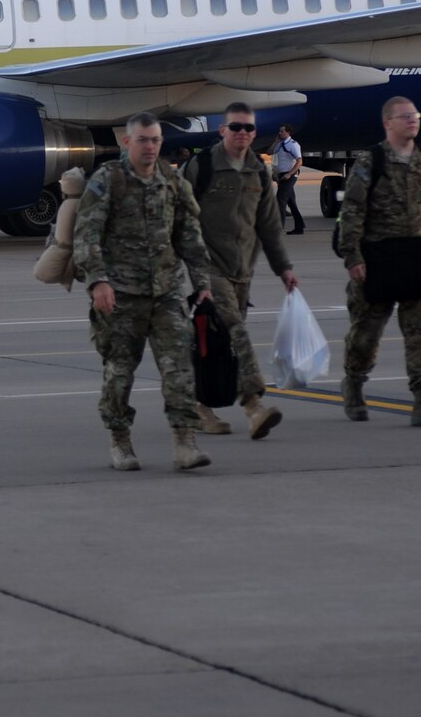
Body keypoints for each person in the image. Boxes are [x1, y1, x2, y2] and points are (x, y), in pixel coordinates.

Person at [73, 113, 217, 471]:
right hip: (120, 295)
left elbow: (189, 235)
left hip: (166, 292)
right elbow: (87, 234)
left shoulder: (171, 180)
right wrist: (98, 282)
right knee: (120, 371)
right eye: (143, 140)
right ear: (127, 142)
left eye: (155, 140)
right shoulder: (109, 180)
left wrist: (203, 285)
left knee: (179, 368)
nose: (150, 146)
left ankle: (185, 441)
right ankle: (120, 440)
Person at [335, 96, 421, 426]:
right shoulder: (371, 160)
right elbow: (351, 212)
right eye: (405, 117)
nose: (412, 121)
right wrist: (353, 257)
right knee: (366, 334)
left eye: (415, 116)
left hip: (418, 255)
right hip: (377, 258)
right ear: (387, 123)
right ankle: (353, 382)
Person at [192, 104, 296, 439]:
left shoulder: (258, 171)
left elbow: (269, 225)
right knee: (235, 334)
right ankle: (254, 406)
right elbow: (179, 217)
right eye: (235, 127)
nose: (243, 134)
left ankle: (198, 408)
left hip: (242, 274)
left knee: (218, 348)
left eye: (249, 129)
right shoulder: (202, 166)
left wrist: (284, 268)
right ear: (222, 130)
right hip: (208, 270)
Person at [273, 123, 306, 234]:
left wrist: (290, 174)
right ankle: (299, 227)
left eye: (282, 131)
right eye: (279, 131)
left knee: (280, 199)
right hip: (282, 175)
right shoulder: (280, 144)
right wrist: (276, 142)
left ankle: (279, 227)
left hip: (289, 175)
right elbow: (269, 152)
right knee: (291, 202)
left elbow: (299, 161)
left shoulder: (293, 145)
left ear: (288, 132)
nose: (280, 133)